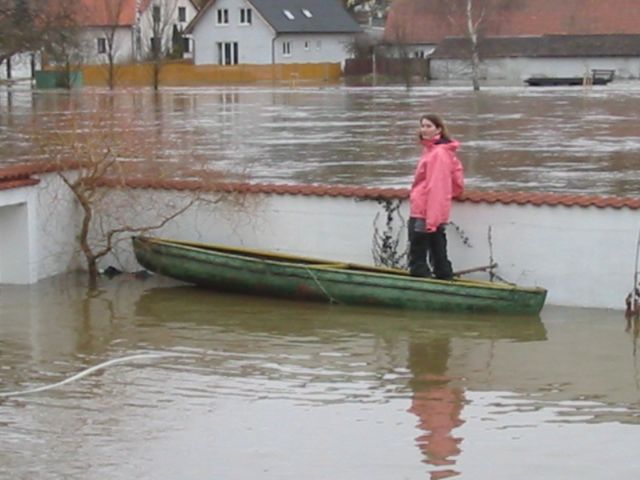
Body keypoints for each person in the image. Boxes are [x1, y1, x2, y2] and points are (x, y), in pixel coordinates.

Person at [408, 114, 464, 280]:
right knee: (437, 245)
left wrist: (431, 219)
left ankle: (423, 281)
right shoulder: (437, 150)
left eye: (428, 126)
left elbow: (436, 186)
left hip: (425, 209)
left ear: (438, 129)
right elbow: (456, 181)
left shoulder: (438, 153)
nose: (424, 130)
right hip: (431, 208)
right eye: (422, 126)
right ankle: (444, 276)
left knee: (419, 250)